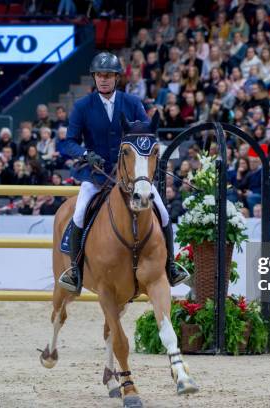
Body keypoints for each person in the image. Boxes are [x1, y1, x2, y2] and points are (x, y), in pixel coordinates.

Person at [58, 52, 188, 294]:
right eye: (99, 75)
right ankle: (75, 271)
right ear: (94, 78)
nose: (104, 80)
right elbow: (68, 143)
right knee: (78, 214)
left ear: (117, 78)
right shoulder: (82, 106)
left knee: (162, 210)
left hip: (131, 176)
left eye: (108, 75)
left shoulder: (132, 103)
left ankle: (170, 266)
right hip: (96, 176)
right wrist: (86, 154)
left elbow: (146, 133)